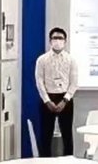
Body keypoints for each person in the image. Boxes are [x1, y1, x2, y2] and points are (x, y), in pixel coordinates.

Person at [34, 27, 79, 156]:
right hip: (48, 98)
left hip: (65, 99)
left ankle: (68, 162)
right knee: (45, 135)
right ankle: (44, 163)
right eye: (55, 38)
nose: (57, 41)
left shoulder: (71, 60)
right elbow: (39, 81)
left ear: (65, 41)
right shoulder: (42, 60)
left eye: (60, 38)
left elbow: (74, 82)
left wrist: (65, 100)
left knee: (67, 135)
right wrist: (47, 101)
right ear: (50, 41)